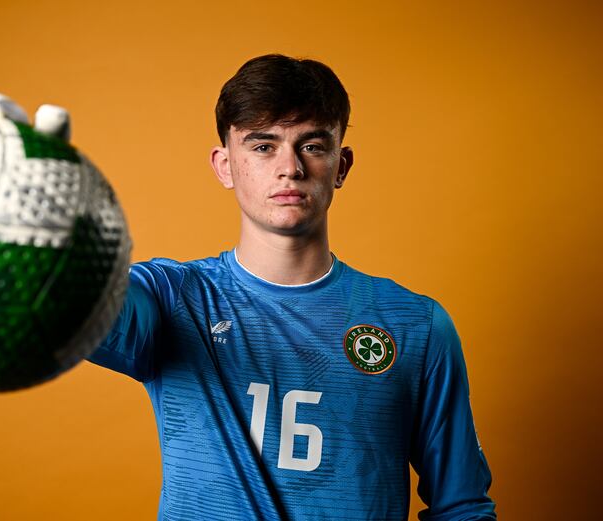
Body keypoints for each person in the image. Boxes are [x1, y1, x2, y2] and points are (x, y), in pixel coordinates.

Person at [87, 54, 496, 520]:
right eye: (263, 146)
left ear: (341, 165)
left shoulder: (416, 326)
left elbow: (462, 506)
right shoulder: (172, 297)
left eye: (312, 146)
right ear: (225, 165)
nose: (290, 168)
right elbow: (75, 311)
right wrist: (27, 230)